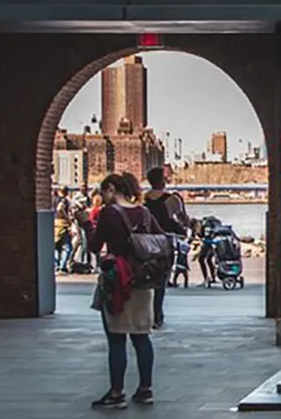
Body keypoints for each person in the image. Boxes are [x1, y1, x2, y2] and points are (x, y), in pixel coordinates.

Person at [90, 173, 163, 409]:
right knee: (142, 336)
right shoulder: (144, 212)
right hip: (143, 280)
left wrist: (84, 223)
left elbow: (94, 246)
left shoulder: (109, 214)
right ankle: (145, 389)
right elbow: (159, 238)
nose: (102, 197)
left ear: (111, 188)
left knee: (117, 338)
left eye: (103, 191)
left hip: (118, 281)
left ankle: (116, 393)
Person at [143, 167, 190, 329]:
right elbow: (182, 218)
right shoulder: (172, 199)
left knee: (146, 278)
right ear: (163, 181)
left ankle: (146, 313)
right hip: (165, 241)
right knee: (161, 280)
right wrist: (186, 229)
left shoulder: (143, 200)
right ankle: (157, 315)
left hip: (146, 242)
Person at [54, 187, 74, 274]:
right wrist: (68, 219)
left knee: (57, 247)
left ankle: (57, 265)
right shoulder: (64, 200)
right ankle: (62, 266)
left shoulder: (54, 199)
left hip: (55, 225)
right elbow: (60, 208)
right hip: (63, 225)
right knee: (68, 247)